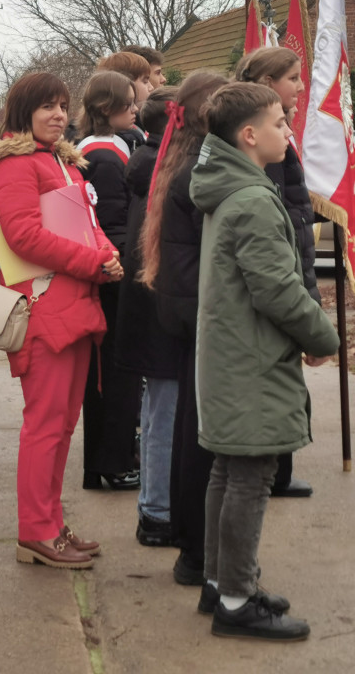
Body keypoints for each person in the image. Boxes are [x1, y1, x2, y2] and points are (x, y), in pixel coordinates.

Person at [190, 82, 339, 640]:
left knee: (229, 471)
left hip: (234, 353)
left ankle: (222, 582)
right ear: (249, 136)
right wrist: (322, 337)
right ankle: (234, 601)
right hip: (249, 359)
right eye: (279, 122)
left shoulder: (236, 187)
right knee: (249, 476)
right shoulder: (250, 198)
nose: (288, 130)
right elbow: (277, 288)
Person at [0, 71, 121, 569]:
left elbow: (89, 224)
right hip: (44, 311)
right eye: (47, 107)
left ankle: (51, 523)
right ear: (24, 112)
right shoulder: (15, 165)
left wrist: (107, 253)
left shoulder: (62, 161)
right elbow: (24, 237)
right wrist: (91, 263)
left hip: (76, 307)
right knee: (45, 425)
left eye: (63, 106)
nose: (59, 115)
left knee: (62, 425)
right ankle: (36, 531)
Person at [138, 71, 229, 586]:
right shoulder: (199, 174)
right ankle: (192, 545)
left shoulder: (187, 166)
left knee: (185, 430)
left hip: (191, 318)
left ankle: (185, 537)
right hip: (203, 322)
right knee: (196, 439)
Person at [235, 48, 321, 498]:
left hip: (293, 266)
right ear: (268, 82)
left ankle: (279, 470)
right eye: (292, 78)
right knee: (275, 382)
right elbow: (281, 221)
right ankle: (273, 473)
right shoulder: (264, 142)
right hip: (279, 274)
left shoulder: (279, 134)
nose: (301, 86)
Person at [113, 86, 179, 545]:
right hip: (162, 307)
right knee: (165, 414)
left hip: (150, 305)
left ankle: (156, 506)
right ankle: (158, 512)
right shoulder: (165, 171)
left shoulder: (147, 164)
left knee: (158, 411)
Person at [75, 70, 142, 491]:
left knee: (113, 373)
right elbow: (109, 224)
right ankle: (111, 463)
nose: (136, 107)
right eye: (128, 101)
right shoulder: (101, 155)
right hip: (112, 277)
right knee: (112, 374)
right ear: (106, 108)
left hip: (112, 273)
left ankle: (107, 461)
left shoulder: (111, 147)